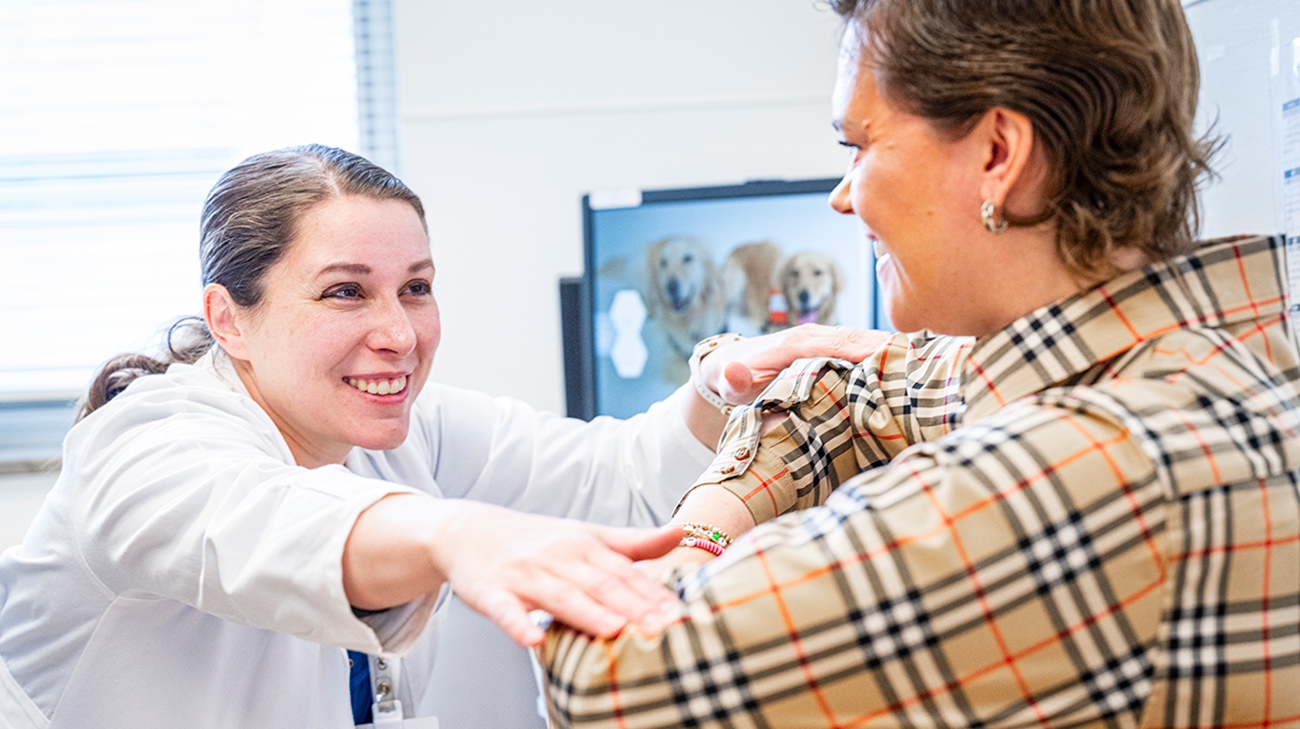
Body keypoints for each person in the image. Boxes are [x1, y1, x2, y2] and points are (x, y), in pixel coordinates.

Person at [536, 0, 1300, 727]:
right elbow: (831, 386)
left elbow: (602, 676)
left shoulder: (1082, 470)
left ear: (998, 155)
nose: (843, 195)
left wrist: (697, 537)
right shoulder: (1218, 355)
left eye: (859, 145)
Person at [0, 144, 887, 728]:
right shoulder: (140, 443)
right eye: (346, 291)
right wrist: (458, 532)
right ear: (228, 320)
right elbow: (263, 522)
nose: (400, 332)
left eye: (416, 287)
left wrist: (717, 384)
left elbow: (618, 477)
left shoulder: (406, 434)